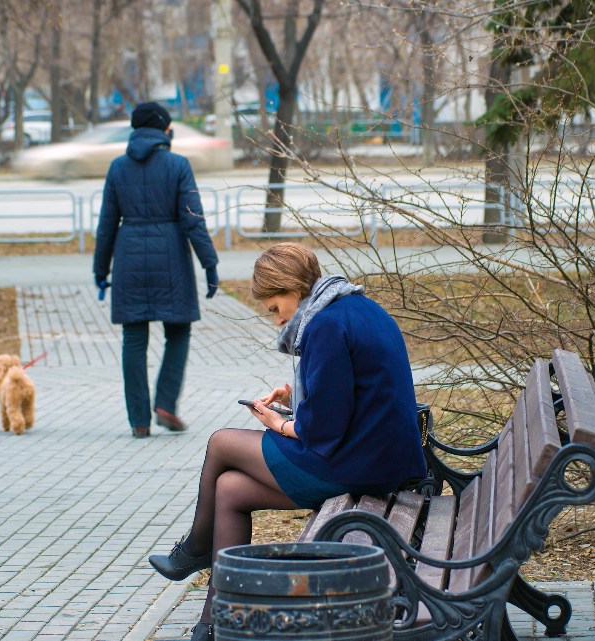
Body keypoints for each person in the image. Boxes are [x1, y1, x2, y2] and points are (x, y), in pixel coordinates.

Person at [148, 243, 427, 641]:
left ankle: (195, 547)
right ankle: (215, 619)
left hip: (356, 464)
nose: (277, 320)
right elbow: (350, 395)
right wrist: (293, 399)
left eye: (275, 307)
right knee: (228, 489)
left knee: (221, 442)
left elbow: (324, 430)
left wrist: (277, 423)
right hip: (376, 456)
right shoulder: (353, 306)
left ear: (292, 288)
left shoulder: (324, 326)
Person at [93, 101, 219, 438]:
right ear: (165, 129)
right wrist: (209, 263)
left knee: (133, 337)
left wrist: (100, 269)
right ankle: (165, 402)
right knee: (177, 331)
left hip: (129, 258)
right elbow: (193, 221)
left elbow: (106, 224)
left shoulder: (118, 167)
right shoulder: (178, 165)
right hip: (171, 260)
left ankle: (139, 420)